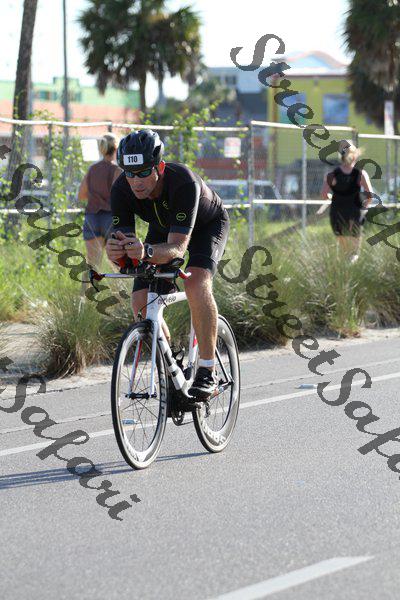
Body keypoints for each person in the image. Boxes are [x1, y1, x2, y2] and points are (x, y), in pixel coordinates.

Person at [105, 129, 230, 400]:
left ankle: (207, 370)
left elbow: (177, 249)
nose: (135, 181)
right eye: (129, 173)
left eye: (143, 173)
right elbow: (124, 257)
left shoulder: (183, 182)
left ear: (159, 167)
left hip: (206, 226)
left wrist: (146, 251)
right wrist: (115, 253)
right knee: (140, 301)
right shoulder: (121, 189)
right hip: (163, 229)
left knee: (195, 282)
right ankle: (172, 369)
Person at [321, 140, 374, 263]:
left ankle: (344, 271)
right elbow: (370, 196)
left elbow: (324, 194)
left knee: (343, 252)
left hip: (337, 213)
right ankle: (352, 269)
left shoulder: (333, 174)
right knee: (354, 253)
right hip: (355, 214)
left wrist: (331, 198)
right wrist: (364, 209)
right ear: (355, 156)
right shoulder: (360, 174)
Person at [78, 133, 122, 273]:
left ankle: (87, 287)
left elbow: (81, 195)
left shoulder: (92, 169)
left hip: (92, 217)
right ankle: (119, 287)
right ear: (116, 149)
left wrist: (95, 196)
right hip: (110, 218)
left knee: (92, 265)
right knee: (117, 263)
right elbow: (118, 197)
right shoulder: (117, 170)